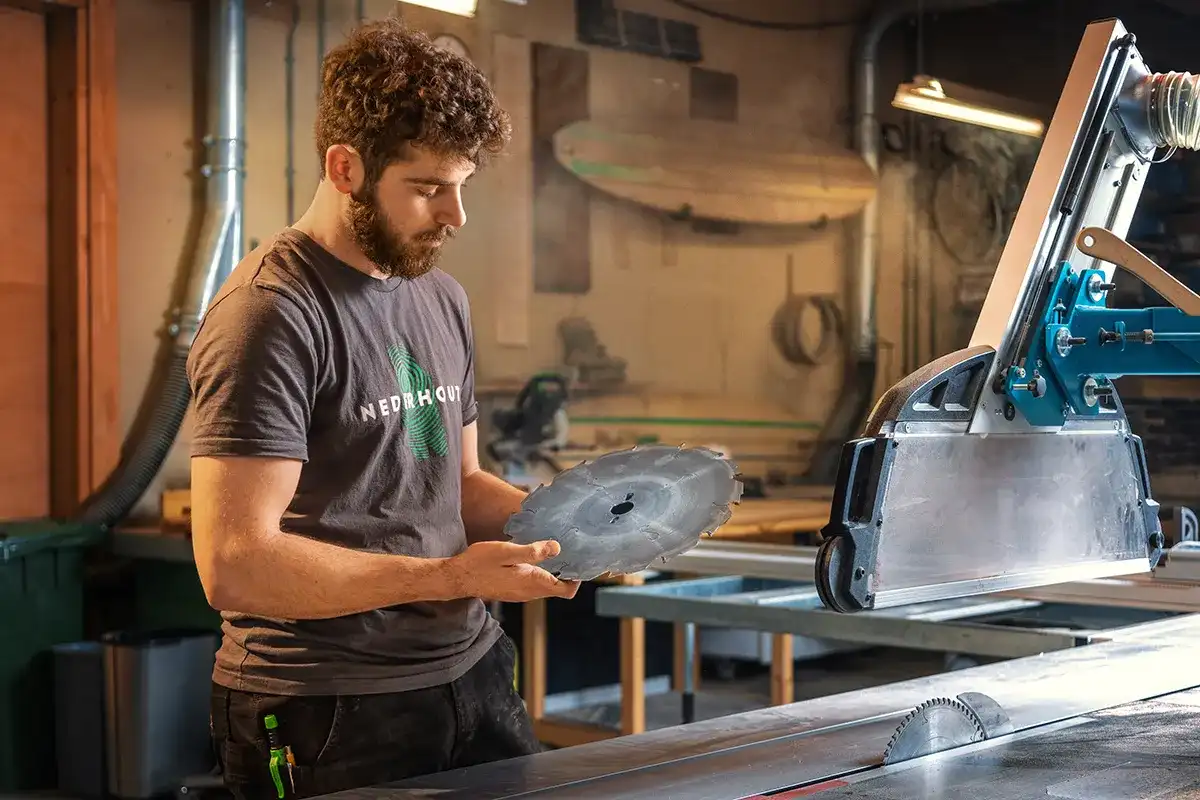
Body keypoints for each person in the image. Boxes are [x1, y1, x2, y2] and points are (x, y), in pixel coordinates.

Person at [186, 18, 580, 800]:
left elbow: (458, 486)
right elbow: (235, 566)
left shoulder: (439, 296)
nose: (454, 216)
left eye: (462, 186)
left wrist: (579, 520)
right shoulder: (271, 313)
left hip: (472, 672)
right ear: (346, 167)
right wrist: (448, 576)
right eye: (430, 188)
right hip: (327, 706)